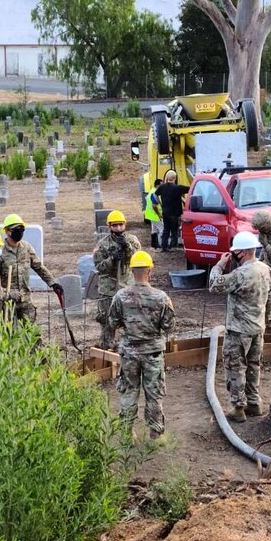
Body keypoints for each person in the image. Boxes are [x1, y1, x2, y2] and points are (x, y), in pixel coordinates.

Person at [107, 250, 175, 440]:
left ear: (131, 270)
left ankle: (127, 433)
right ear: (150, 270)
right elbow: (169, 326)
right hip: (153, 352)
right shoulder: (161, 298)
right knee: (154, 393)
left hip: (129, 352)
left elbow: (112, 322)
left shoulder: (120, 296)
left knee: (129, 391)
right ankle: (156, 433)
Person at [209, 231, 271, 422]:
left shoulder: (240, 274)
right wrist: (267, 321)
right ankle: (254, 403)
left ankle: (238, 408)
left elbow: (214, 285)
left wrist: (220, 265)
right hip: (257, 328)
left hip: (238, 330)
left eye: (235, 252)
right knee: (254, 366)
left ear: (242, 252)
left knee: (235, 367)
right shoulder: (265, 269)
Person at [0, 213, 62, 327]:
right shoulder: (0, 252)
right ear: (7, 231)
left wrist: (53, 283)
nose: (19, 232)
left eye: (22, 229)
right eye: (16, 229)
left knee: (32, 333)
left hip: (25, 299)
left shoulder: (26, 248)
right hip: (8, 300)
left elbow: (38, 267)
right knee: (8, 334)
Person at [92, 210, 142, 350]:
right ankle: (106, 347)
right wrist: (112, 259)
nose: (118, 228)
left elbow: (138, 260)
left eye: (120, 225)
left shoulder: (132, 240)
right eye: (115, 226)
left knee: (131, 319)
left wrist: (127, 247)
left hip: (127, 286)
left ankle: (130, 346)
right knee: (107, 320)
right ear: (110, 227)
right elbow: (100, 267)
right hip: (109, 289)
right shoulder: (103, 245)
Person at [155, 170, 191, 252]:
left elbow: (155, 194)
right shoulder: (178, 188)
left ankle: (164, 247)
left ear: (167, 177)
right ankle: (172, 247)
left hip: (165, 212)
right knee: (174, 230)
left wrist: (160, 203)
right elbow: (191, 188)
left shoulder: (162, 187)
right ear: (175, 178)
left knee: (166, 229)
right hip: (174, 213)